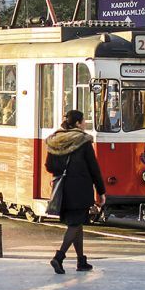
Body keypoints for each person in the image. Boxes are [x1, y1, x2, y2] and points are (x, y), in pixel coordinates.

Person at [45, 109, 106, 274]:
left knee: (77, 223)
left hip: (62, 189)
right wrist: (101, 191)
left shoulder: (54, 140)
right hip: (80, 189)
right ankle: (59, 257)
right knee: (74, 224)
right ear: (78, 123)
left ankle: (81, 261)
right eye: (84, 121)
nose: (85, 124)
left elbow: (50, 166)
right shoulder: (83, 141)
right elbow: (94, 169)